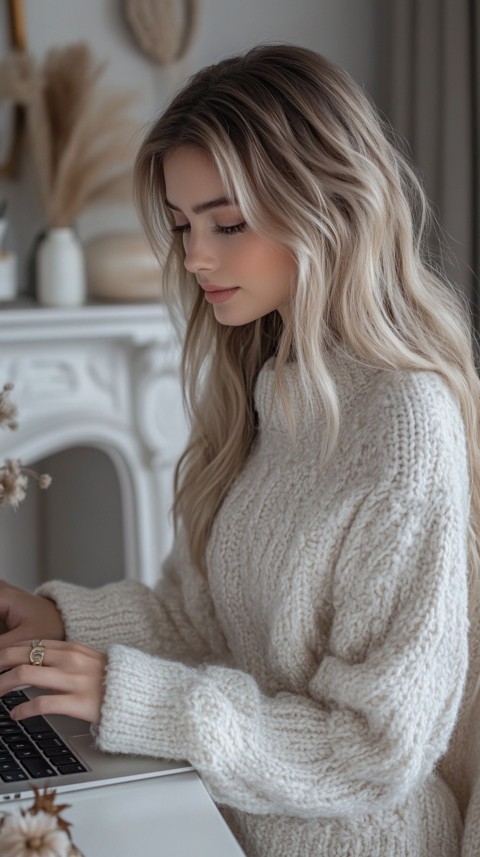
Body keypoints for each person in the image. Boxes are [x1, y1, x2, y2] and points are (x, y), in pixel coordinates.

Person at [0, 44, 479, 857]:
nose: (194, 257)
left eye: (228, 223)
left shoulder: (403, 420)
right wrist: (56, 620)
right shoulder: (260, 384)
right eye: (185, 225)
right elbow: (209, 621)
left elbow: (376, 749)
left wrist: (125, 692)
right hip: (222, 806)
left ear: (328, 206)